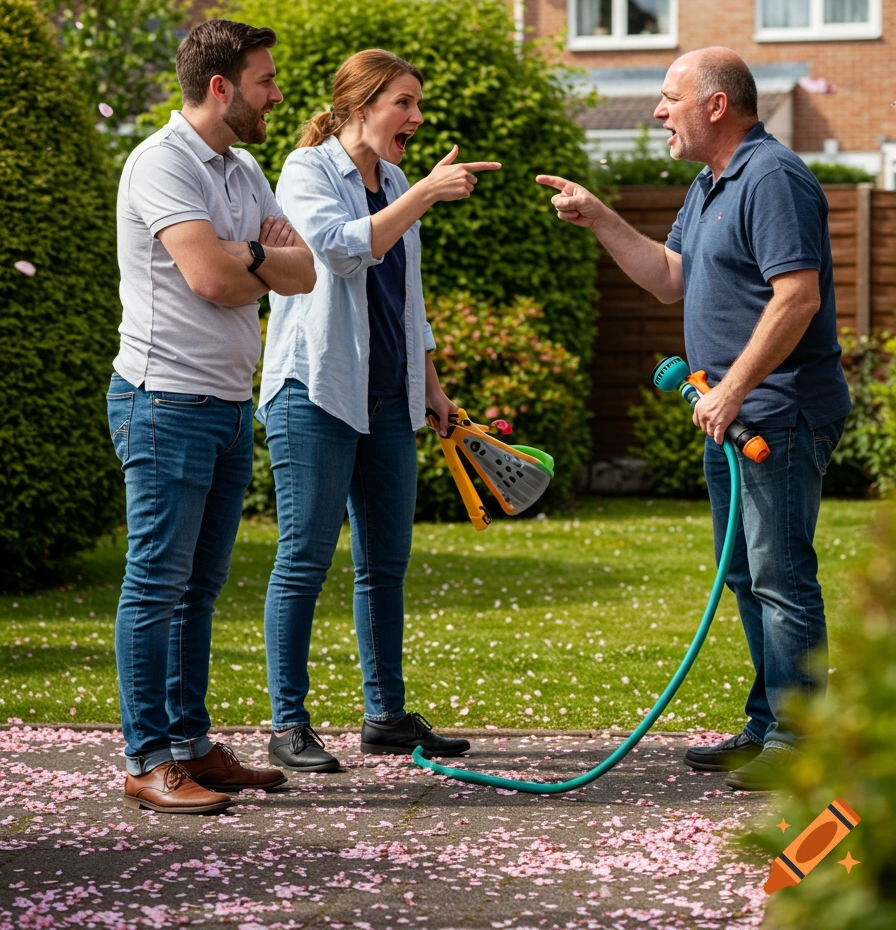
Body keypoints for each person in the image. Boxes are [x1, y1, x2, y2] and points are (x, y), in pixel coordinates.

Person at [537, 47, 850, 791]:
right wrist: (602, 217)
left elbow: (796, 298)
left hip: (777, 411)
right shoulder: (709, 185)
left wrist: (735, 387)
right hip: (730, 417)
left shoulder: (771, 178)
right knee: (745, 575)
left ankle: (802, 739)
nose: (657, 110)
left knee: (780, 574)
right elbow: (669, 278)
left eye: (670, 96)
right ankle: (769, 723)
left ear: (717, 104)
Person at [259, 49, 501, 773]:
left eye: (417, 104)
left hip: (389, 398)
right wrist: (423, 195)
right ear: (361, 106)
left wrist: (430, 386)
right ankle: (286, 722)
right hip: (315, 391)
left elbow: (405, 297)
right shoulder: (307, 172)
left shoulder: (393, 180)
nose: (417, 118)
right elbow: (335, 251)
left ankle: (385, 716)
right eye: (404, 102)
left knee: (384, 565)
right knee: (303, 560)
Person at [108, 19, 317, 814]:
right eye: (265, 80)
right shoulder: (161, 164)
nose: (276, 93)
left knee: (199, 589)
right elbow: (208, 281)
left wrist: (254, 257)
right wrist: (255, 260)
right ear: (222, 87)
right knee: (156, 583)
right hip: (163, 402)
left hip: (228, 404)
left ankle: (191, 746)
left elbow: (304, 274)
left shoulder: (243, 166)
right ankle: (147, 757)